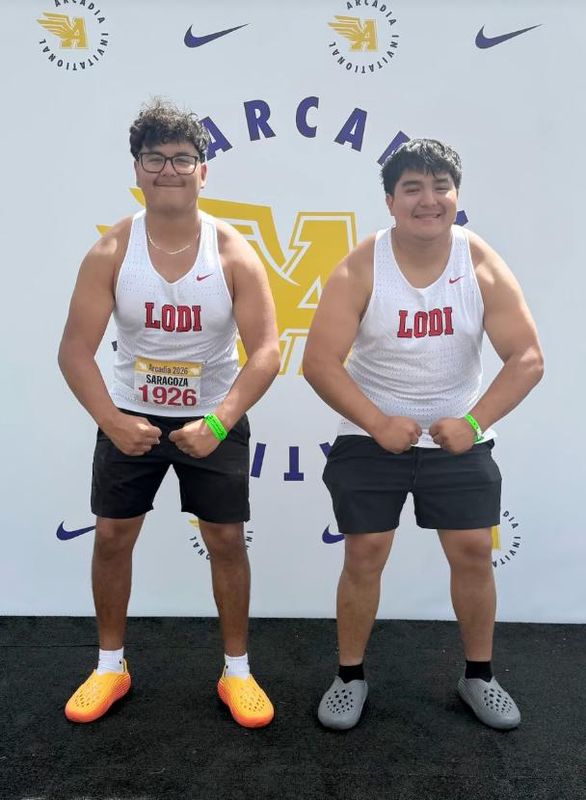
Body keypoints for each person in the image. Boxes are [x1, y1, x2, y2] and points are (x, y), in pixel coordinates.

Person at [303, 138, 544, 731]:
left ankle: (479, 676)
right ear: (390, 201)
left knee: (472, 552)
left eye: (440, 187)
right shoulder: (363, 265)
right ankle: (349, 676)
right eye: (412, 188)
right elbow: (319, 362)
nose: (428, 200)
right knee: (364, 553)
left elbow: (527, 358)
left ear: (456, 196)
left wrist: (472, 423)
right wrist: (378, 423)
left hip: (459, 435)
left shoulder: (477, 261)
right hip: (370, 435)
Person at [58, 99, 280, 728]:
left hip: (213, 417)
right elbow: (73, 350)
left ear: (202, 171)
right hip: (130, 416)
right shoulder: (112, 250)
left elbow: (266, 351)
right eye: (154, 159)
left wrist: (219, 423)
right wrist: (112, 421)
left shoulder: (231, 251)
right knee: (111, 537)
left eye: (182, 159)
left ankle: (237, 672)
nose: (168, 170)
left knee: (227, 541)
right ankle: (110, 666)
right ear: (137, 169)